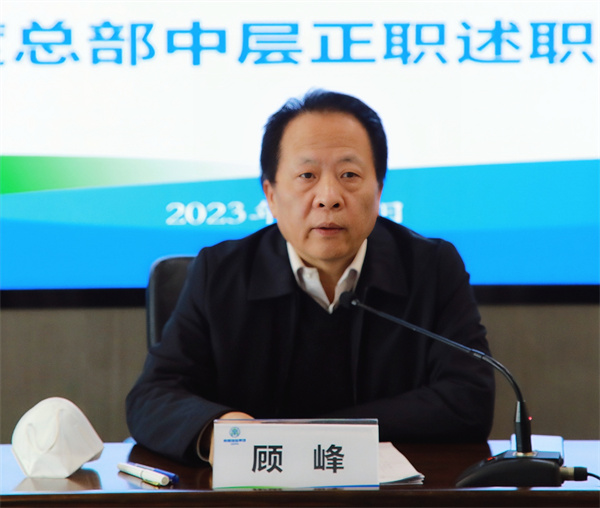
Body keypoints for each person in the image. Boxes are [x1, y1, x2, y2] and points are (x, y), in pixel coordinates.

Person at [126, 90, 495, 466]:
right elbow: (153, 396)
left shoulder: (431, 268)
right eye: (307, 176)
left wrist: (309, 435)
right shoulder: (220, 274)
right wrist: (221, 430)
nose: (329, 197)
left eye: (349, 175)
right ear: (271, 194)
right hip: (254, 489)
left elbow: (469, 399)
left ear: (379, 189)